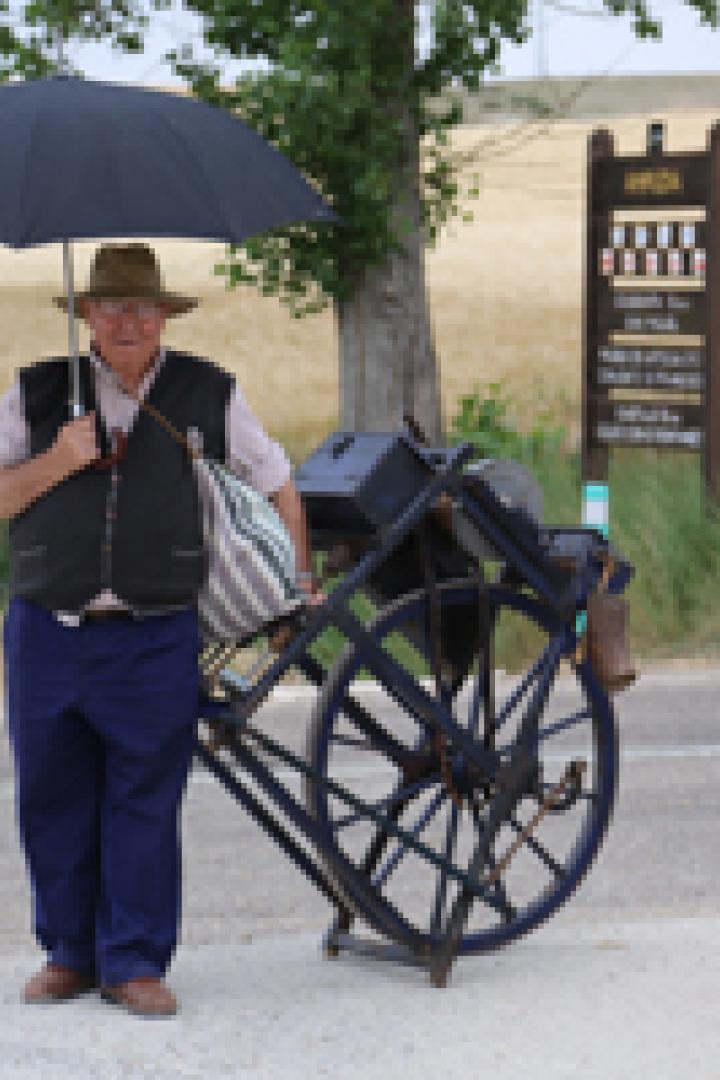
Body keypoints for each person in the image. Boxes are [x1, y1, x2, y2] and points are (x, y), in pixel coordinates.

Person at [0, 243, 320, 1017]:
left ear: (164, 317)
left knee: (145, 799)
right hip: (47, 628)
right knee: (52, 797)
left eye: (144, 308)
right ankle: (69, 955)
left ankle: (135, 961)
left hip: (154, 633)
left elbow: (279, 486)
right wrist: (59, 459)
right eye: (112, 307)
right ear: (87, 315)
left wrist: (296, 584)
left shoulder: (206, 392)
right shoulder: (38, 393)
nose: (128, 322)